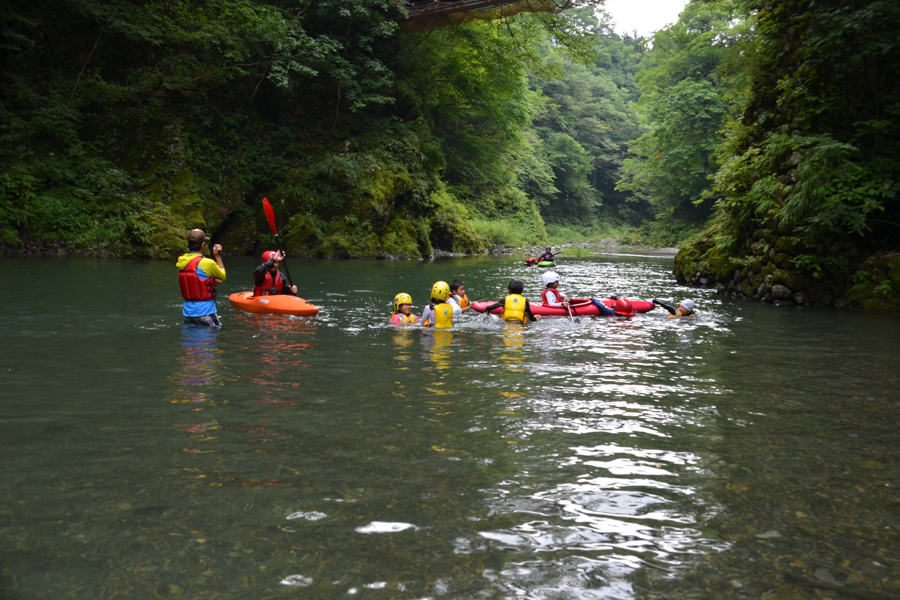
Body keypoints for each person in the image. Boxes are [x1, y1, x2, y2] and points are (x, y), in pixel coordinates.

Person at [177, 229, 226, 327]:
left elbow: (195, 278)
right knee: (210, 339)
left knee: (191, 340)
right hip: (205, 311)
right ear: (203, 245)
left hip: (187, 312)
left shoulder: (181, 263)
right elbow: (222, 276)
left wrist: (211, 280)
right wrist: (218, 256)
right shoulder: (207, 263)